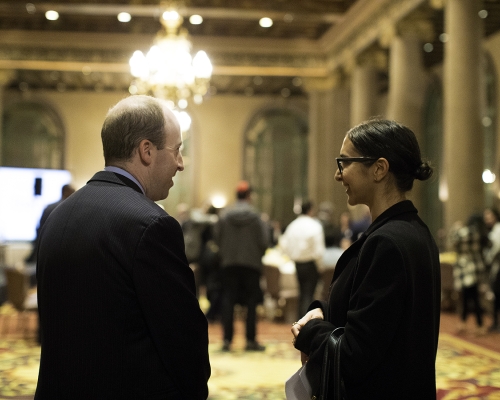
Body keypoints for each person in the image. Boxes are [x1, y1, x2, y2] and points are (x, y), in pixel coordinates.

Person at [35, 95, 210, 399]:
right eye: (177, 150)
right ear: (146, 151)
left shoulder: (58, 215)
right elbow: (184, 342)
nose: (180, 164)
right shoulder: (153, 225)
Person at [291, 119, 441, 399]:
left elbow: (354, 355)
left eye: (345, 163)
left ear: (379, 169)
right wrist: (324, 310)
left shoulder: (387, 242)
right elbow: (378, 314)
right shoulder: (414, 231)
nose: (338, 175)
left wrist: (310, 331)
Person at [214, 180, 269, 352]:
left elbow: (217, 239)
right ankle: (251, 341)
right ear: (249, 196)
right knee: (251, 302)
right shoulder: (256, 216)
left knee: (228, 300)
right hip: (251, 264)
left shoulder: (225, 216)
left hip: (229, 264)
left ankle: (227, 340)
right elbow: (264, 241)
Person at [280, 201, 325, 319]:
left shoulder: (293, 225)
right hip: (311, 264)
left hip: (298, 264)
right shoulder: (315, 225)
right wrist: (320, 266)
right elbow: (319, 251)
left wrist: (291, 257)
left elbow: (284, 245)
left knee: (302, 293)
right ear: (310, 210)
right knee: (308, 295)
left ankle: (301, 321)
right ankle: (306, 324)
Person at [449, 214, 489, 335]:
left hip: (466, 268)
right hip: (475, 268)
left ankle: (477, 324)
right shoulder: (479, 233)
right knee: (470, 297)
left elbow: (453, 240)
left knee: (471, 297)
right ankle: (466, 322)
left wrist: (456, 228)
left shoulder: (467, 232)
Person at [25, 184, 75, 263]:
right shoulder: (71, 208)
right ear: (65, 192)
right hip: (62, 249)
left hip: (46, 246)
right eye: (73, 192)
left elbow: (40, 228)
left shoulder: (49, 207)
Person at [484, 207, 500, 332]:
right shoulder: (491, 231)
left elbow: (496, 249)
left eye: (489, 216)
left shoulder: (498, 229)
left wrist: (488, 259)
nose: (487, 219)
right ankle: (495, 322)